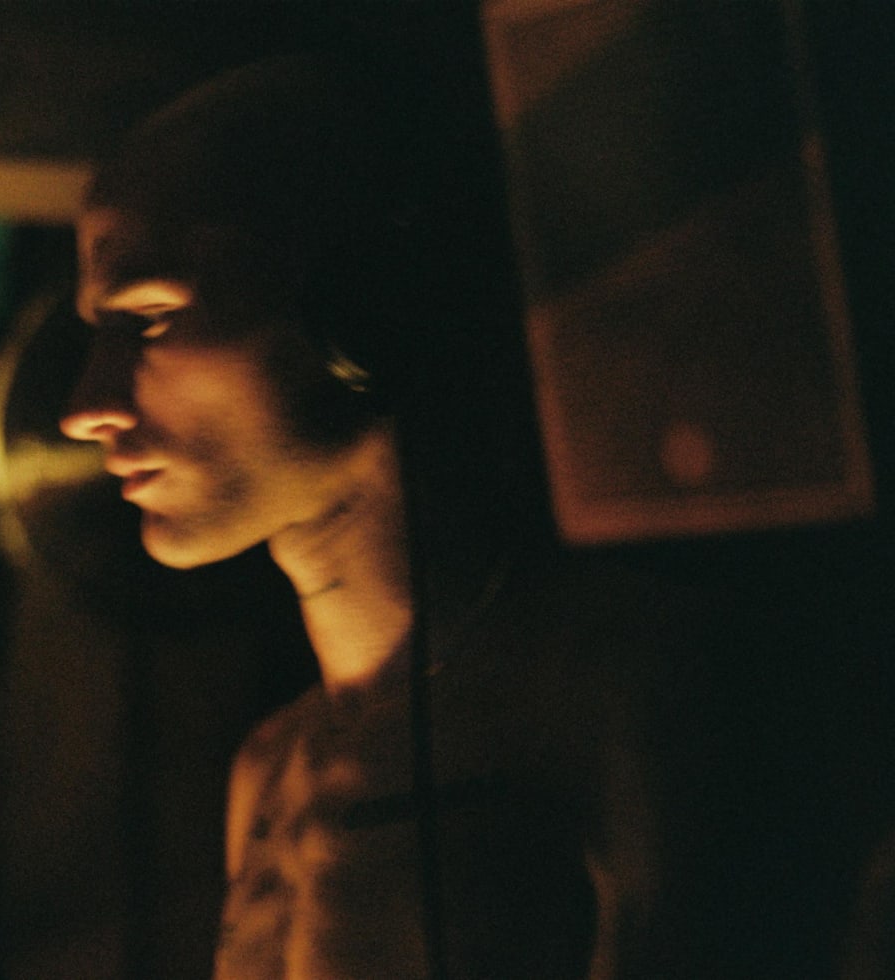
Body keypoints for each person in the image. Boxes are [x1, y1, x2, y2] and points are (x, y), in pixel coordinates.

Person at [57, 51, 672, 979]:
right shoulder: (268, 768)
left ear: (367, 311)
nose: (84, 408)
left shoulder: (620, 694)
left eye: (148, 317)